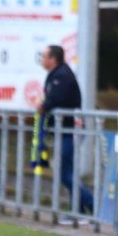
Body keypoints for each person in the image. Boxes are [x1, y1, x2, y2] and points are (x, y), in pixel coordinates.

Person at [38, 45, 94, 219]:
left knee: (64, 173)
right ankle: (78, 211)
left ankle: (94, 205)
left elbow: (57, 98)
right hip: (65, 131)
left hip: (72, 130)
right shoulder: (57, 74)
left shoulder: (62, 75)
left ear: (53, 58)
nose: (42, 59)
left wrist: (44, 106)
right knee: (67, 172)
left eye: (44, 56)